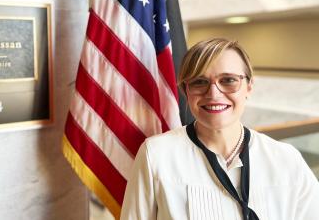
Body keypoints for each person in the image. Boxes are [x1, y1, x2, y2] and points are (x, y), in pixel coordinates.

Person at [120, 38, 319, 220]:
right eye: (200, 82)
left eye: (228, 80)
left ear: (249, 86)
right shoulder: (155, 154)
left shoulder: (286, 160)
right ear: (186, 91)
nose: (214, 94)